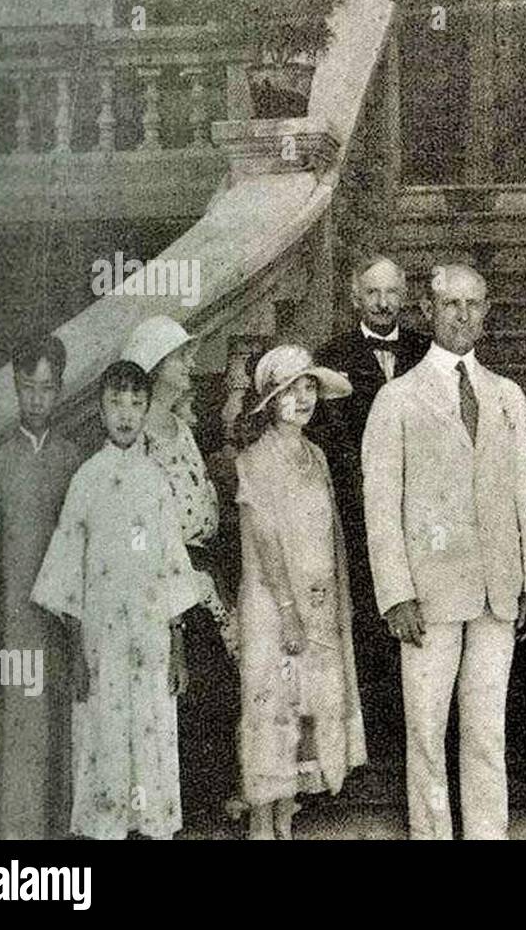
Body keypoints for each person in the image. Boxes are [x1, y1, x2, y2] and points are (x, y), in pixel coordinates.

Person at [363, 264, 526, 840]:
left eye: (473, 304)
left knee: (486, 728)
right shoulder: (397, 399)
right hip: (428, 593)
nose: (462, 315)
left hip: (498, 589)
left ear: (486, 312)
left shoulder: (507, 396)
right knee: (426, 728)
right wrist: (396, 593)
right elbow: (380, 506)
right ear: (428, 312)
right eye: (450, 304)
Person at [31, 360, 200, 840]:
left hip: (150, 641)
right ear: (100, 409)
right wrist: (77, 655)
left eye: (135, 403)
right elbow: (66, 574)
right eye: (115, 403)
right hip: (99, 643)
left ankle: (150, 830)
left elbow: (172, 567)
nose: (125, 414)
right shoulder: (86, 480)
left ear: (147, 408)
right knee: (103, 737)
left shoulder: (156, 481)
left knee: (151, 738)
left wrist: (178, 647)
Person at [234, 345, 367, 840]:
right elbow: (263, 540)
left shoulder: (316, 456)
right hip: (273, 604)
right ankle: (261, 820)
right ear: (270, 400)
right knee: (274, 705)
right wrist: (288, 612)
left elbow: (331, 534)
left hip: (320, 601)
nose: (302, 397)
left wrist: (338, 603)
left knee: (310, 702)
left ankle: (286, 813)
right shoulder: (255, 459)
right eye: (290, 390)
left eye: (309, 386)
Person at [0, 335, 82, 839]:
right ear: (14, 388)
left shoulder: (75, 460)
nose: (37, 400)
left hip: (65, 619)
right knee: (23, 731)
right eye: (27, 388)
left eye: (47, 389)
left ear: (60, 390)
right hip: (18, 619)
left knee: (68, 725)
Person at [120, 315, 238, 826]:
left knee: (215, 687)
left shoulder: (181, 425)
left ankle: (205, 801)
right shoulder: (138, 433)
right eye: (181, 358)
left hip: (204, 573)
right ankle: (179, 807)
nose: (190, 366)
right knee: (185, 688)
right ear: (156, 367)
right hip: (168, 579)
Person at [310, 256, 431, 751]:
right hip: (359, 507)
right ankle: (377, 732)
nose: (383, 303)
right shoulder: (332, 355)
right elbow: (322, 437)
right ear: (356, 298)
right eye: (373, 293)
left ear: (404, 296)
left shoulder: (427, 351)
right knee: (367, 606)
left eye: (392, 293)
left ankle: (417, 726)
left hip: (420, 506)